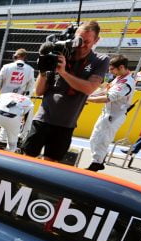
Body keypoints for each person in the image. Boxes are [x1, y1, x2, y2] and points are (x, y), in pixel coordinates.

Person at [22, 21, 110, 162]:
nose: (82, 44)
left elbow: (89, 88)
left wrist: (63, 72)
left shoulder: (100, 60)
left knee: (49, 164)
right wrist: (44, 68)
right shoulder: (60, 53)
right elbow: (39, 91)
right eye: (79, 39)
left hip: (65, 124)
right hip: (42, 119)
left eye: (87, 41)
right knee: (27, 159)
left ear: (96, 40)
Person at [85, 55, 135, 171]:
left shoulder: (127, 82)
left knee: (103, 139)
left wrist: (86, 99)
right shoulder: (119, 77)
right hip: (107, 113)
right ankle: (99, 160)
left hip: (115, 116)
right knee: (94, 138)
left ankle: (96, 164)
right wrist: (88, 95)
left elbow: (108, 97)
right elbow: (106, 91)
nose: (110, 71)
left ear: (121, 67)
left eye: (112, 69)